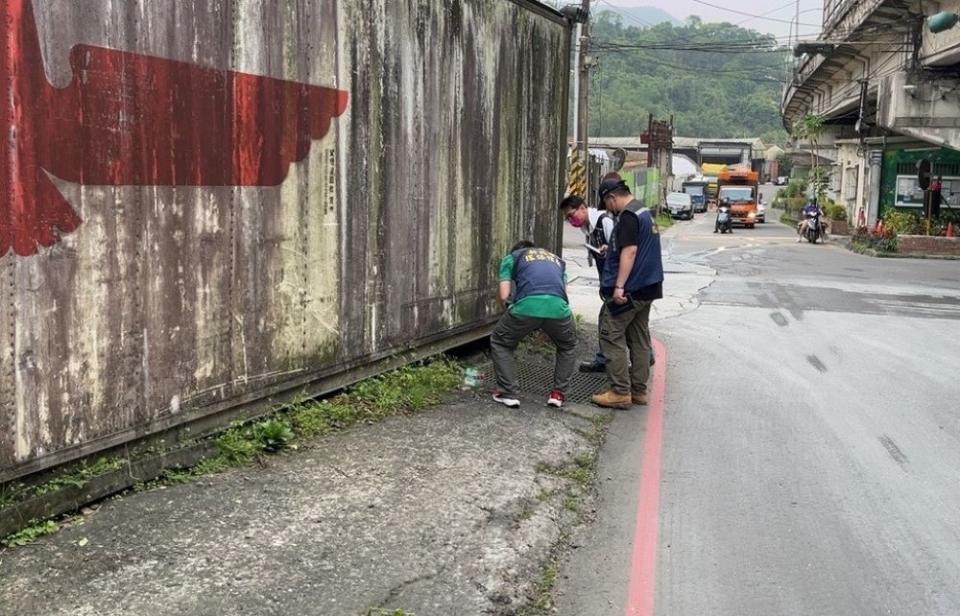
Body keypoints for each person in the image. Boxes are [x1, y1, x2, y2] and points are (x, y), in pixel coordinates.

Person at [591, 178, 664, 409]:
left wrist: (619, 286)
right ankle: (638, 391)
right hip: (649, 286)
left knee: (610, 333)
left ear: (612, 197)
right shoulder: (643, 211)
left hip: (631, 290)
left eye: (607, 203)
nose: (608, 209)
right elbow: (632, 246)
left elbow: (631, 251)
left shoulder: (628, 215)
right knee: (639, 337)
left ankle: (620, 391)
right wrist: (609, 248)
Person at [490, 241, 578, 409]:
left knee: (500, 342)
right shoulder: (557, 261)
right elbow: (562, 293)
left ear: (517, 250)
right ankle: (558, 394)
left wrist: (511, 314)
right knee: (567, 346)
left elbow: (504, 295)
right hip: (559, 310)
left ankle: (508, 393)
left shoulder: (512, 258)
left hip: (526, 307)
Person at [559, 194, 615, 373]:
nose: (570, 220)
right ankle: (642, 357)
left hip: (617, 284)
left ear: (583, 208)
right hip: (608, 283)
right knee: (614, 322)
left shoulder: (604, 222)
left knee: (610, 321)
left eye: (571, 215)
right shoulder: (587, 228)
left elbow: (621, 252)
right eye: (567, 218)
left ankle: (606, 361)